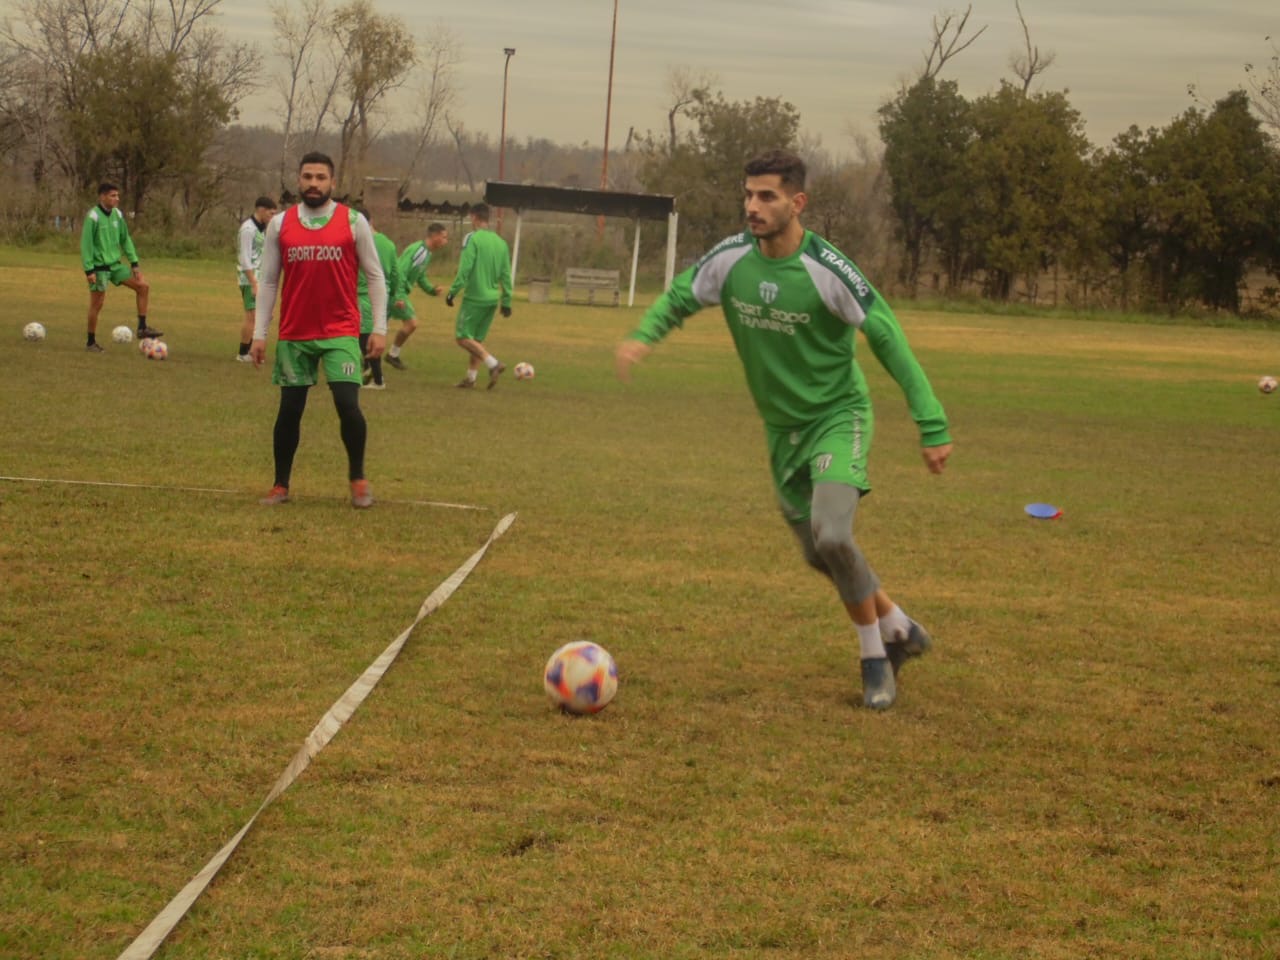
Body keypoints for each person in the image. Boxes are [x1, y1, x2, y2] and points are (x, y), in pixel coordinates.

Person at [615, 149, 953, 710]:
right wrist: (644, 335)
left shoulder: (828, 268)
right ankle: (899, 625)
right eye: (748, 194)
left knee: (834, 536)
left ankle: (875, 659)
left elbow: (887, 335)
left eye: (766, 196)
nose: (752, 206)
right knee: (820, 554)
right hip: (781, 431)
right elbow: (680, 296)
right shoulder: (731, 259)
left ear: (797, 203)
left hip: (837, 417)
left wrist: (931, 422)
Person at [250, 151, 387, 508]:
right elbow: (267, 282)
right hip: (295, 333)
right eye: (308, 177)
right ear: (299, 180)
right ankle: (281, 485)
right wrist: (260, 334)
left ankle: (358, 478)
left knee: (347, 404)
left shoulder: (353, 221)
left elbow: (375, 275)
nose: (314, 183)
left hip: (340, 331)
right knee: (290, 410)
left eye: (321, 178)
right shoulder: (280, 224)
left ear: (332, 182)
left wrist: (381, 328)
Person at [80, 182, 162, 351]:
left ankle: (142, 327)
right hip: (99, 268)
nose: (117, 199)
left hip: (116, 266)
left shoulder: (117, 214)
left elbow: (125, 239)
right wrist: (89, 270)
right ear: (102, 196)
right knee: (97, 304)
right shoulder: (93, 217)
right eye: (113, 195)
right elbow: (86, 245)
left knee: (143, 287)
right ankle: (90, 342)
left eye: (117, 195)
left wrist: (134, 263)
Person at [444, 203, 512, 389]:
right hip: (492, 299)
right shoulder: (501, 242)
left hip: (475, 297)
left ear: (473, 217)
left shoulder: (472, 239)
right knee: (476, 340)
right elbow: (506, 274)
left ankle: (493, 364)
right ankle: (471, 378)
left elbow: (465, 269)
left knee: (462, 337)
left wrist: (452, 292)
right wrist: (506, 301)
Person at [385, 222, 449, 371]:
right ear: (434, 236)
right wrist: (399, 296)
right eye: (444, 237)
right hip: (394, 291)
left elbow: (420, 276)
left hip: (394, 291)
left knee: (378, 326)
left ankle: (380, 355)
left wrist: (431, 290)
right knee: (411, 323)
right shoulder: (419, 250)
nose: (446, 241)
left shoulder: (427, 252)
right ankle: (390, 355)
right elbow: (400, 271)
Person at [355, 208, 400, 391]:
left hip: (366, 296)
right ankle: (367, 373)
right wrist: (394, 295)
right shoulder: (388, 244)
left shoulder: (359, 243)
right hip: (386, 295)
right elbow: (396, 273)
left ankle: (378, 379)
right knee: (372, 335)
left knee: (366, 338)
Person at [235, 196, 278, 362]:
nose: (272, 217)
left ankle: (253, 349)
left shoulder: (262, 228)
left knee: (264, 315)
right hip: (249, 279)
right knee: (252, 316)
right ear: (261, 210)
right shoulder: (248, 229)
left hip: (260, 278)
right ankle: (243, 353)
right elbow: (245, 258)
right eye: (271, 213)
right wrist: (253, 283)